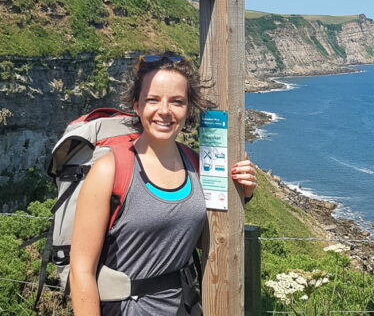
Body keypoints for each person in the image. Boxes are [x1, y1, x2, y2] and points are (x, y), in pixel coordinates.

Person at [69, 53, 257, 315]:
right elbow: (81, 271)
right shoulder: (110, 170)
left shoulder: (196, 165)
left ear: (188, 108)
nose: (165, 111)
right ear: (136, 105)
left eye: (177, 101)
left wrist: (241, 195)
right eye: (153, 100)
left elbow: (201, 237)